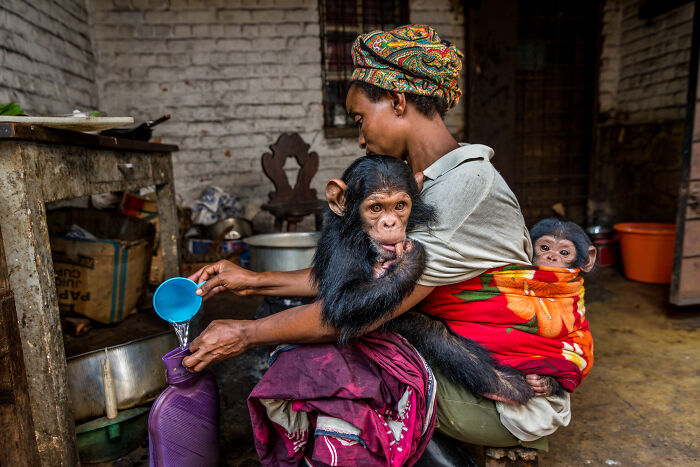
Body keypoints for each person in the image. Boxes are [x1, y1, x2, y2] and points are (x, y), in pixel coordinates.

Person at [184, 24, 592, 461]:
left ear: (398, 101)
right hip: (470, 360)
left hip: (499, 394)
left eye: (360, 119)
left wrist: (246, 333)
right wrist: (254, 280)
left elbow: (362, 309)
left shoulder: (465, 189)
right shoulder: (431, 183)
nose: (360, 137)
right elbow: (361, 280)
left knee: (322, 361)